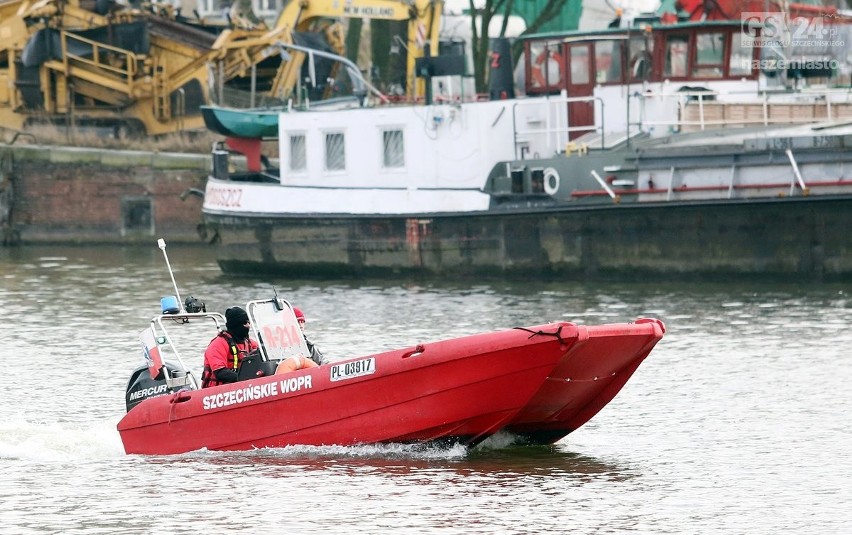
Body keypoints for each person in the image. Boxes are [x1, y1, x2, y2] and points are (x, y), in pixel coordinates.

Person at [201, 306, 258, 388]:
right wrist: (244, 378)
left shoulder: (249, 343)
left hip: (241, 387)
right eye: (245, 323)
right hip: (217, 392)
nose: (248, 326)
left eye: (249, 322)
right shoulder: (217, 345)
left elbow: (262, 356)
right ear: (236, 325)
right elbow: (220, 372)